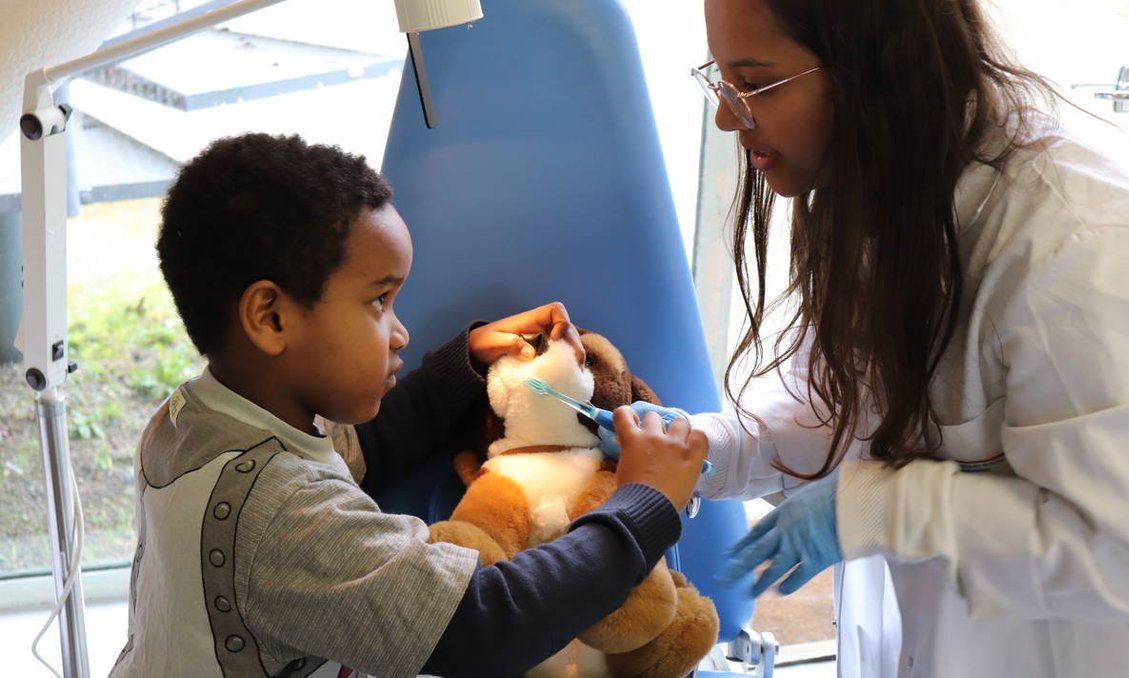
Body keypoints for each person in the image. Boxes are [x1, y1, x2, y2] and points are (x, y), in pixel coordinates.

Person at [609, 0, 1129, 676]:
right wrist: (701, 448)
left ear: (876, 68)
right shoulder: (879, 195)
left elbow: (1127, 553)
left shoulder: (1080, 252)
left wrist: (883, 509)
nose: (726, 116)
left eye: (755, 85)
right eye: (721, 80)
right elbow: (840, 412)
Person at [110, 132, 708, 678]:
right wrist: (643, 504)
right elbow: (486, 625)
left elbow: (362, 450)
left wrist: (465, 361)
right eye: (379, 301)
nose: (400, 333)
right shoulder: (279, 514)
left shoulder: (196, 419)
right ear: (271, 318)